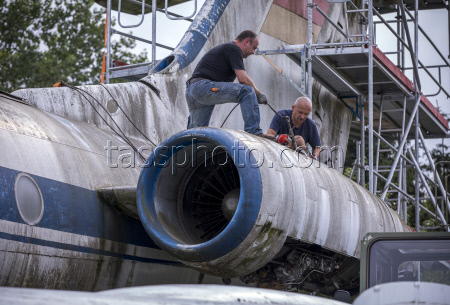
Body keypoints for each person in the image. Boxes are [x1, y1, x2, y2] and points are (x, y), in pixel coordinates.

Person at [185, 30, 270, 137]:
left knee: (196, 135)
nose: (253, 52)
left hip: (193, 91)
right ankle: (255, 132)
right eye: (254, 48)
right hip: (203, 87)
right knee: (247, 91)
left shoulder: (228, 49)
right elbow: (243, 79)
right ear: (247, 41)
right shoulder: (234, 49)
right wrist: (258, 94)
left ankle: (188, 150)